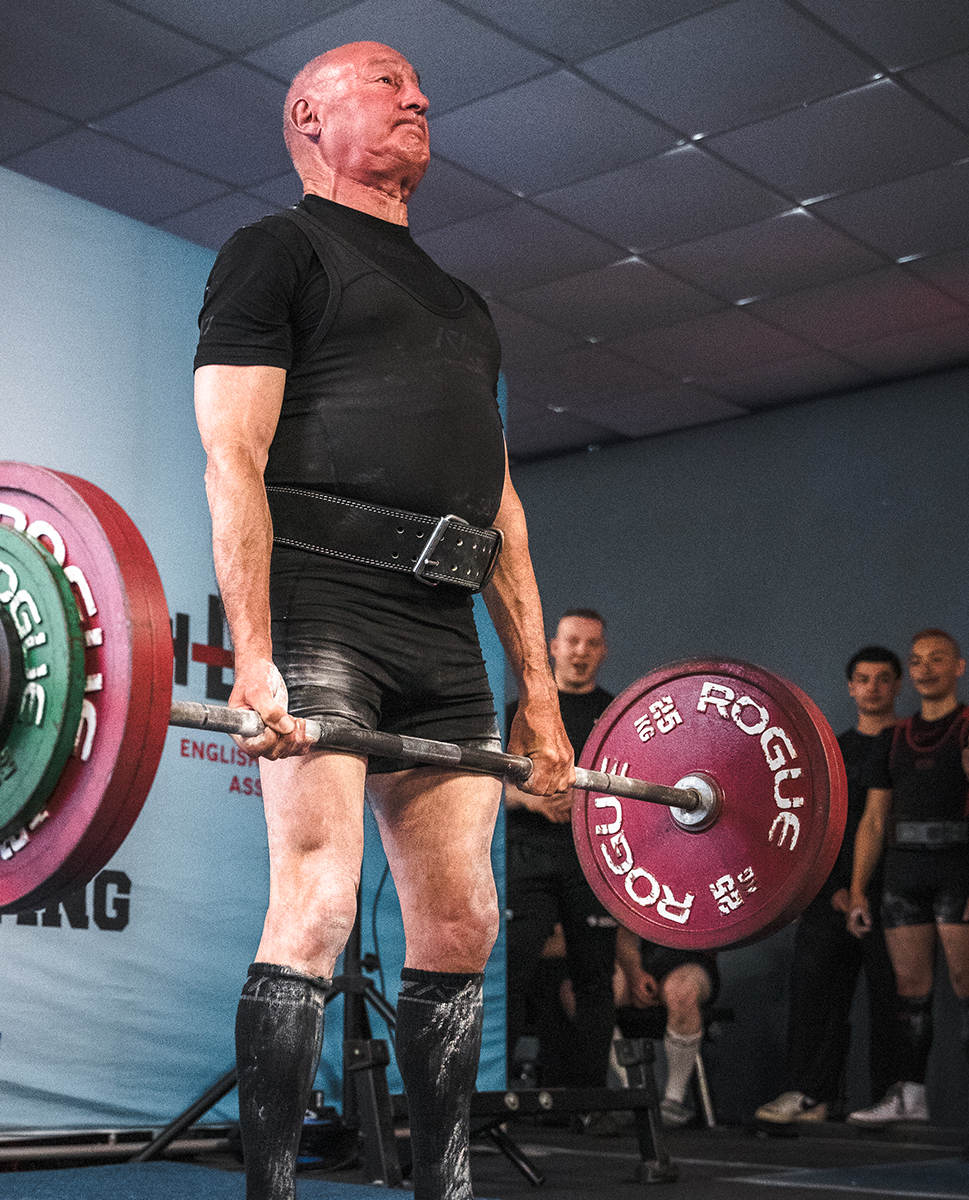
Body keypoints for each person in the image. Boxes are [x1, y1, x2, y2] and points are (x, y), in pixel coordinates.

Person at [192, 42, 575, 1200]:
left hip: (441, 629)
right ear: (309, 112)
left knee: (463, 921)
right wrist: (252, 654)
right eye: (386, 80)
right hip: (325, 604)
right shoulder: (276, 251)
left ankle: (442, 1184)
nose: (419, 96)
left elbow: (499, 505)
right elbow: (233, 456)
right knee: (316, 903)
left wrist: (542, 699)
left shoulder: (464, 304)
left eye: (420, 85)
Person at [755, 647, 901, 1125]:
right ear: (851, 688)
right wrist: (830, 890)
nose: (873, 688)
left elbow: (885, 824)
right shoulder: (834, 752)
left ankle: (890, 1097)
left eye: (883, 679)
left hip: (895, 897)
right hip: (832, 895)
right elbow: (815, 827)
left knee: (892, 1002)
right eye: (864, 679)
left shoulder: (908, 744)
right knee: (814, 995)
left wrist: (866, 890)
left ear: (896, 687)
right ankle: (810, 1096)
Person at [844, 630, 968, 1125]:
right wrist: (856, 889)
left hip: (959, 873)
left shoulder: (965, 725)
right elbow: (874, 821)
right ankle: (910, 1097)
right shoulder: (894, 738)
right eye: (917, 661)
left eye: (938, 659)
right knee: (910, 989)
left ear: (958, 667)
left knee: (965, 983)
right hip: (905, 874)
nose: (925, 668)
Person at [504, 610, 617, 1091]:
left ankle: (591, 1101)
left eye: (591, 644)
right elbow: (487, 788)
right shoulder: (522, 712)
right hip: (527, 858)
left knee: (594, 980)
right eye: (572, 641)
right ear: (553, 646)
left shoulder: (616, 717)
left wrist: (588, 803)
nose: (580, 652)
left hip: (590, 865)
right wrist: (532, 800)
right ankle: (490, 1095)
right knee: (510, 977)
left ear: (602, 651)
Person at [614, 927, 721, 1129]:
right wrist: (635, 973)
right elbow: (624, 930)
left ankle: (673, 1101)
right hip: (638, 961)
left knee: (682, 990)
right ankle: (633, 1092)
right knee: (594, 988)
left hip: (691, 960)